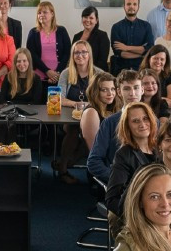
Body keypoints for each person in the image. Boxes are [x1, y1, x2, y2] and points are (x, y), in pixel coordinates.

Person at [86, 70, 144, 184]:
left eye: (136, 87)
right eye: (127, 89)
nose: (132, 93)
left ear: (142, 90)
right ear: (119, 92)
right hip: (120, 184)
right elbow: (94, 161)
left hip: (147, 182)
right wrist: (117, 179)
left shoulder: (153, 121)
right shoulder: (109, 123)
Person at [104, 101, 158, 219]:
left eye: (145, 118)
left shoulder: (160, 148)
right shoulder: (123, 155)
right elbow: (112, 200)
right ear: (127, 126)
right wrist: (138, 217)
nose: (142, 124)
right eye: (135, 121)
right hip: (137, 216)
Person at [54, 41, 97, 184]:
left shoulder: (98, 73)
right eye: (76, 52)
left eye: (83, 52)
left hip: (92, 116)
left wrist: (89, 105)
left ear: (89, 54)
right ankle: (63, 170)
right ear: (72, 55)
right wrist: (76, 104)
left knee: (89, 134)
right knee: (72, 130)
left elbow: (107, 97)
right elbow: (59, 98)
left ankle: (70, 162)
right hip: (69, 116)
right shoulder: (66, 73)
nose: (80, 56)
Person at [26, 0, 71, 87]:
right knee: (39, 100)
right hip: (38, 78)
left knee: (56, 101)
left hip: (59, 77)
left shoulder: (62, 31)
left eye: (45, 12)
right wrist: (47, 71)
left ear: (52, 14)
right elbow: (32, 54)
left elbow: (67, 52)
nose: (41, 15)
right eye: (39, 13)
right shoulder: (33, 32)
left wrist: (56, 73)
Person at [110, 0, 154, 73]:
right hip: (120, 70)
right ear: (124, 7)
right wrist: (142, 53)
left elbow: (149, 49)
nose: (131, 6)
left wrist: (126, 47)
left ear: (138, 7)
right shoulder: (116, 27)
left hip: (141, 70)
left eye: (134, 4)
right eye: (128, 4)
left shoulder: (146, 26)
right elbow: (120, 53)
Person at [79, 71, 120, 151]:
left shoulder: (110, 108)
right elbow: (94, 150)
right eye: (104, 90)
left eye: (112, 89)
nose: (110, 93)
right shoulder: (91, 112)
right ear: (95, 91)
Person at [74, 6, 111, 73]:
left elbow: (102, 61)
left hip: (97, 75)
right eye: (85, 17)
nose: (88, 20)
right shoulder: (76, 36)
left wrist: (87, 73)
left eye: (91, 18)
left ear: (96, 20)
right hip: (78, 74)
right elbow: (73, 57)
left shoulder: (102, 36)